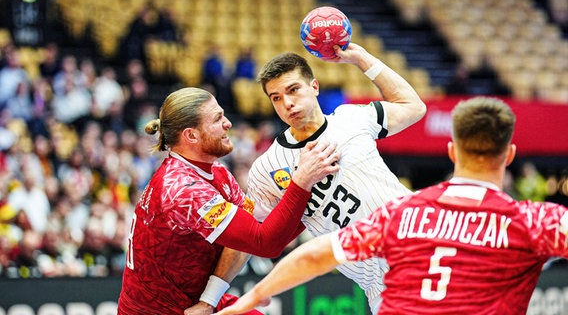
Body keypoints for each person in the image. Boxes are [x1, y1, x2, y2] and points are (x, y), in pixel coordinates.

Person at [214, 97, 568, 315]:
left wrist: (250, 298)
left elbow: (315, 255)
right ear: (509, 155)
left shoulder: (401, 212)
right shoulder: (532, 221)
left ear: (451, 152)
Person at [198, 42, 426, 315]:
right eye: (276, 97)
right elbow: (249, 241)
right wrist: (209, 299)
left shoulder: (351, 118)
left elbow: (413, 106)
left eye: (293, 90)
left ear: (314, 87)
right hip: (383, 289)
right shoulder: (267, 168)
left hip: (425, 248)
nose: (288, 103)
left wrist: (363, 59)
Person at [117, 87, 340, 314]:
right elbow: (265, 243)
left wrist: (209, 300)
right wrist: (302, 182)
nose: (228, 124)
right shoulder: (184, 190)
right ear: (191, 135)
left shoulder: (215, 171)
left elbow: (244, 240)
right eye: (217, 119)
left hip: (193, 305)